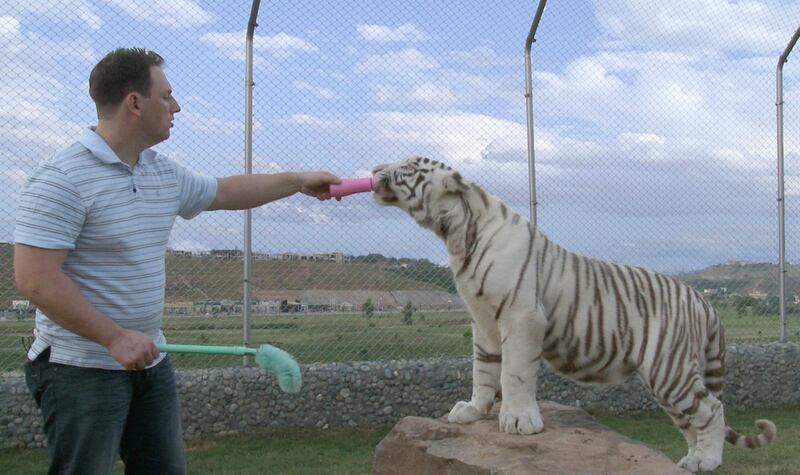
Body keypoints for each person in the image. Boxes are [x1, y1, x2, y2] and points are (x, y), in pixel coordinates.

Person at [13, 47, 341, 475]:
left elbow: (225, 192)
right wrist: (114, 338)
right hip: (80, 371)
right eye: (166, 96)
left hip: (150, 364)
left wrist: (297, 181)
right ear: (135, 102)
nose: (177, 106)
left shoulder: (160, 172)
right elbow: (35, 279)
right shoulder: (61, 179)